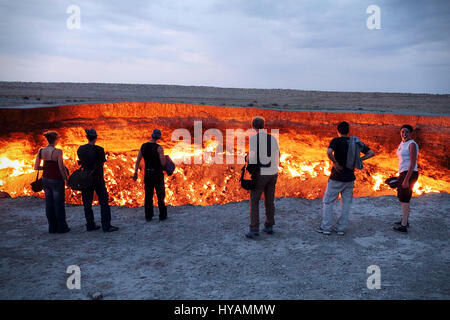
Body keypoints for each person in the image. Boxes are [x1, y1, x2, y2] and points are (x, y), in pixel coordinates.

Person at [316, 121, 375, 236]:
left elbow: (328, 152)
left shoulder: (336, 141)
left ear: (337, 131)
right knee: (346, 204)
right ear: (348, 131)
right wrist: (359, 161)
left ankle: (326, 227)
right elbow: (371, 153)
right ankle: (340, 229)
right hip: (349, 179)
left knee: (328, 202)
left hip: (337, 178)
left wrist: (336, 163)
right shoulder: (355, 141)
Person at [77, 129, 119, 232]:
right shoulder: (100, 149)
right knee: (104, 202)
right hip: (98, 179)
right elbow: (101, 163)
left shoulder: (81, 149)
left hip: (86, 179)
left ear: (87, 137)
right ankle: (106, 225)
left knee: (87, 203)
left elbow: (81, 161)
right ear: (96, 137)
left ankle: (90, 225)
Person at [245, 116, 280, 239]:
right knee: (269, 201)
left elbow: (252, 158)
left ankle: (254, 229)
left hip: (261, 173)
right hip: (273, 173)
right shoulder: (273, 138)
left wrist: (247, 160)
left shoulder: (254, 139)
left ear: (252, 126)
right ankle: (269, 225)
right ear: (264, 126)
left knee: (254, 201)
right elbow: (278, 154)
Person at [34, 131, 70, 234]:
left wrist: (45, 167)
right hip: (56, 180)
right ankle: (62, 228)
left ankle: (52, 228)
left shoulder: (41, 151)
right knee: (58, 204)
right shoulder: (58, 152)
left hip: (45, 179)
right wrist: (66, 179)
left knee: (49, 204)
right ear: (56, 140)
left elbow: (36, 167)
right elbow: (61, 168)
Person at [133, 129, 167, 221]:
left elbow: (138, 160)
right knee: (160, 195)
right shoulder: (159, 148)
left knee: (148, 196)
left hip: (148, 173)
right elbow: (163, 163)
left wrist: (135, 173)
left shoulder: (143, 146)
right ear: (158, 137)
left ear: (151, 136)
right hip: (157, 174)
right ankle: (162, 216)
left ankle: (148, 216)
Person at [392, 124, 419, 233]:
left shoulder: (412, 144)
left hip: (410, 173)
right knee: (402, 198)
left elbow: (412, 164)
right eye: (402, 131)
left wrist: (406, 180)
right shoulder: (402, 143)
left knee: (405, 199)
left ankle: (404, 226)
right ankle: (405, 220)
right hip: (403, 173)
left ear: (411, 133)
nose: (404, 134)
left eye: (407, 132)